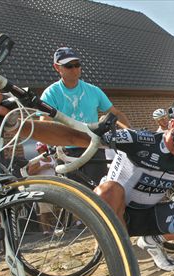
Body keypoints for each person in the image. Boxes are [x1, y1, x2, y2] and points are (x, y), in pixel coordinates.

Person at [0, 92, 174, 272]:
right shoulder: (139, 140)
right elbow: (76, 135)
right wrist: (22, 125)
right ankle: (124, 266)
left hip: (148, 216)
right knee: (110, 188)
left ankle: (152, 240)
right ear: (173, 125)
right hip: (114, 210)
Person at [40, 47, 130, 185]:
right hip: (67, 151)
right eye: (69, 66)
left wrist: (131, 133)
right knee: (76, 199)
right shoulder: (51, 93)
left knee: (99, 193)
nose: (75, 69)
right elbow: (44, 122)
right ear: (57, 68)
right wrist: (47, 144)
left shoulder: (93, 90)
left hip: (94, 147)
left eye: (77, 65)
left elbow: (116, 113)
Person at [21, 142, 57, 236]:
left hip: (53, 184)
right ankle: (46, 230)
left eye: (42, 149)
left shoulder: (52, 158)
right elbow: (30, 172)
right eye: (39, 149)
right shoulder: (37, 161)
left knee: (53, 208)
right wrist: (42, 167)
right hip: (42, 185)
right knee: (44, 209)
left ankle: (53, 227)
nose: (40, 150)